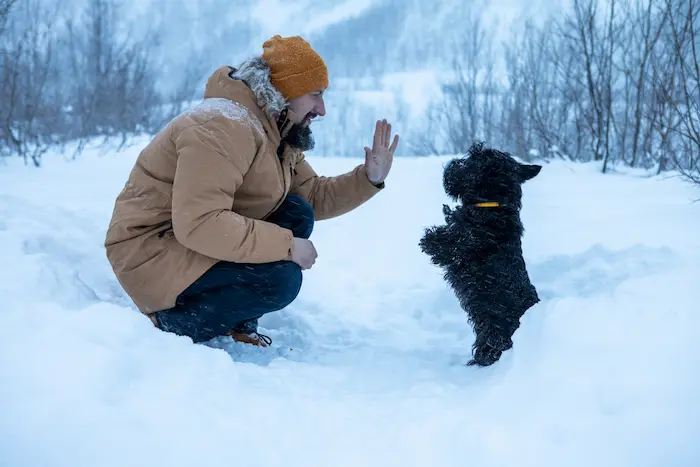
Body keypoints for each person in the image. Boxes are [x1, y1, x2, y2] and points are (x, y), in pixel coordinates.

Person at [104, 35, 400, 347]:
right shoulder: (221, 126)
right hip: (150, 253)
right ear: (286, 91)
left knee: (297, 212)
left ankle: (234, 318)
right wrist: (287, 246)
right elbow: (199, 223)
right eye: (315, 95)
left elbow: (310, 195)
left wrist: (368, 177)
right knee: (279, 281)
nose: (322, 109)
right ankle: (173, 321)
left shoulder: (273, 129)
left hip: (185, 239)